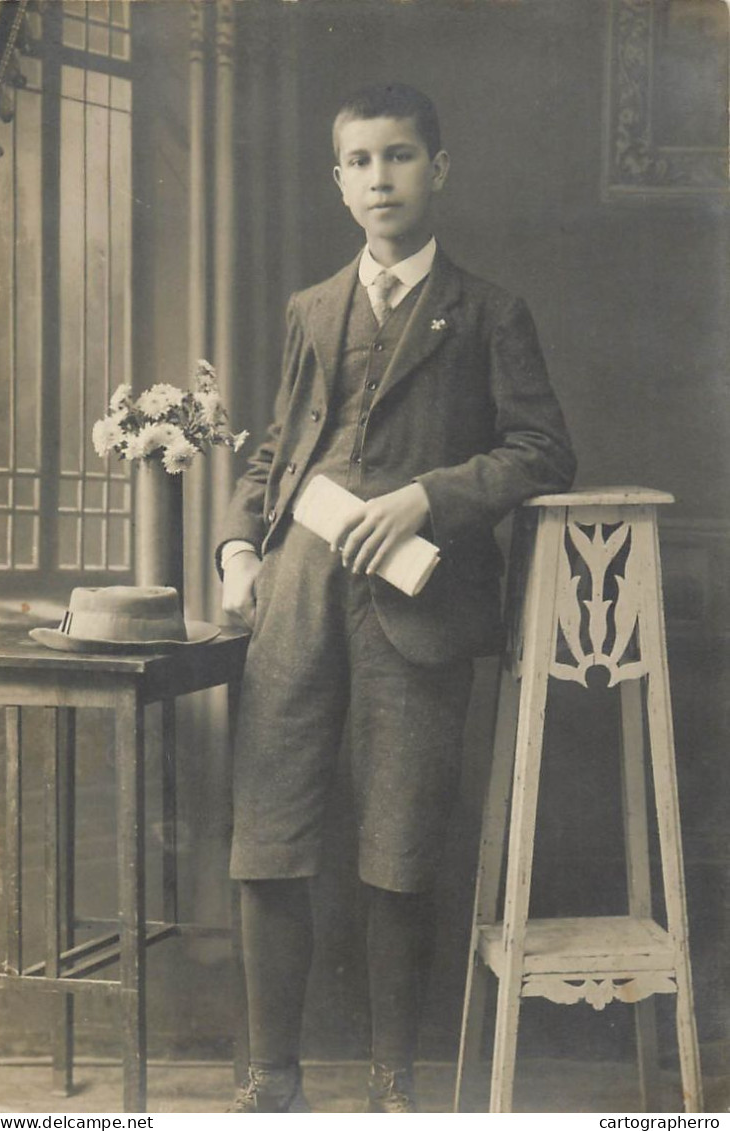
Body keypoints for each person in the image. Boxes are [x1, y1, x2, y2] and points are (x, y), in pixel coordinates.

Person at [217, 82, 576, 1113]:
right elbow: (276, 452)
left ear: (438, 170)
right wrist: (239, 547)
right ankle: (269, 1079)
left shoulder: (490, 314)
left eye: (401, 157)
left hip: (417, 611)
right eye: (361, 162)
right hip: (292, 601)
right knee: (269, 831)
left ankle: (393, 1089)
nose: (380, 178)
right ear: (337, 181)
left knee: (399, 844)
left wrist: (426, 497)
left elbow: (543, 450)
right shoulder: (310, 311)